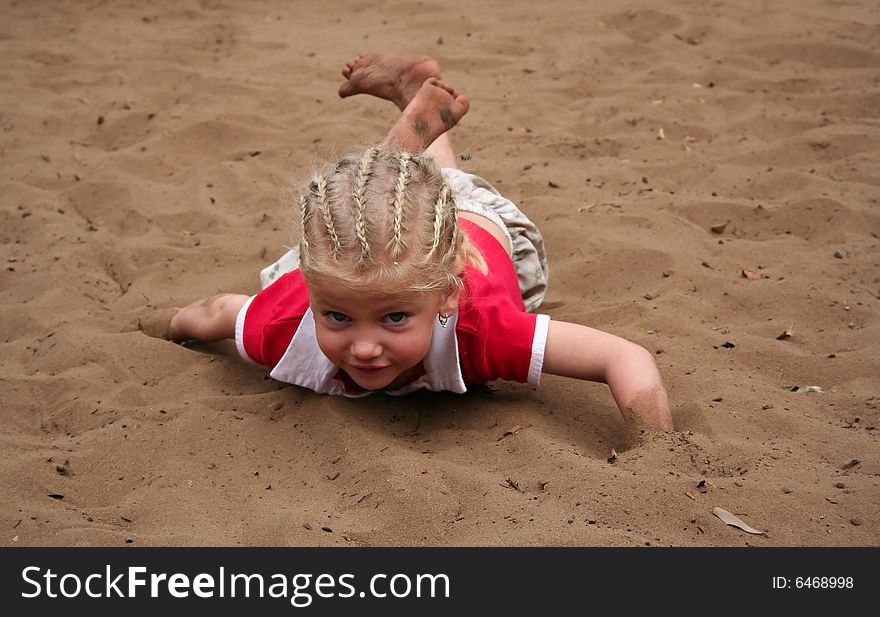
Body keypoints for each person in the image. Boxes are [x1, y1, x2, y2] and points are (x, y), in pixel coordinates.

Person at [157, 53, 673, 433]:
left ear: (450, 294)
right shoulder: (285, 323)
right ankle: (406, 138)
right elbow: (219, 314)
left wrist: (657, 447)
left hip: (477, 230)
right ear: (312, 296)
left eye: (395, 318)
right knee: (384, 215)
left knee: (443, 189)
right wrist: (168, 324)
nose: (363, 348)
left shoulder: (486, 331)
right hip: (360, 259)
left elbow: (621, 357)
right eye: (336, 317)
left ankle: (406, 145)